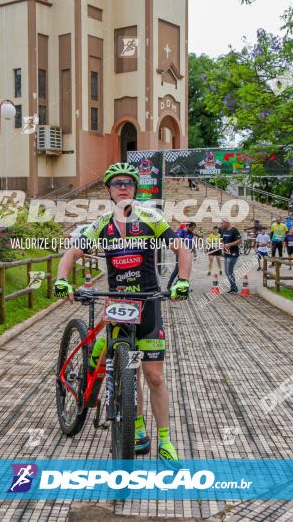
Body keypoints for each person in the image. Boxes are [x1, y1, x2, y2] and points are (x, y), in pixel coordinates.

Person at [53, 163, 191, 463]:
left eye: (128, 183)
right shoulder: (101, 224)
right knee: (131, 370)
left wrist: (182, 280)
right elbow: (73, 252)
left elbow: (182, 249)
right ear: (109, 191)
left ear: (135, 189)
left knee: (154, 375)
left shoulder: (150, 219)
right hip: (118, 303)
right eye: (117, 184)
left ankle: (165, 441)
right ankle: (137, 426)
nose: (123, 187)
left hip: (148, 302)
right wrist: (62, 278)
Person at [168, 222, 195, 290]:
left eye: (194, 228)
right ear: (188, 226)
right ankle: (169, 285)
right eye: (192, 228)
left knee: (185, 270)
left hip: (188, 254)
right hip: (180, 254)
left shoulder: (191, 234)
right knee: (177, 270)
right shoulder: (181, 232)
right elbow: (176, 242)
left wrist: (194, 253)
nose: (193, 230)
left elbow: (191, 243)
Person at [219, 219, 242, 294]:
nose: (221, 224)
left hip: (233, 253)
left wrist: (229, 244)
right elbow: (221, 239)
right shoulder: (223, 230)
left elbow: (239, 241)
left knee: (229, 271)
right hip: (226, 253)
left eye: (222, 223)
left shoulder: (234, 230)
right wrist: (222, 244)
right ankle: (233, 287)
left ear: (227, 223)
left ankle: (234, 289)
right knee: (226, 271)